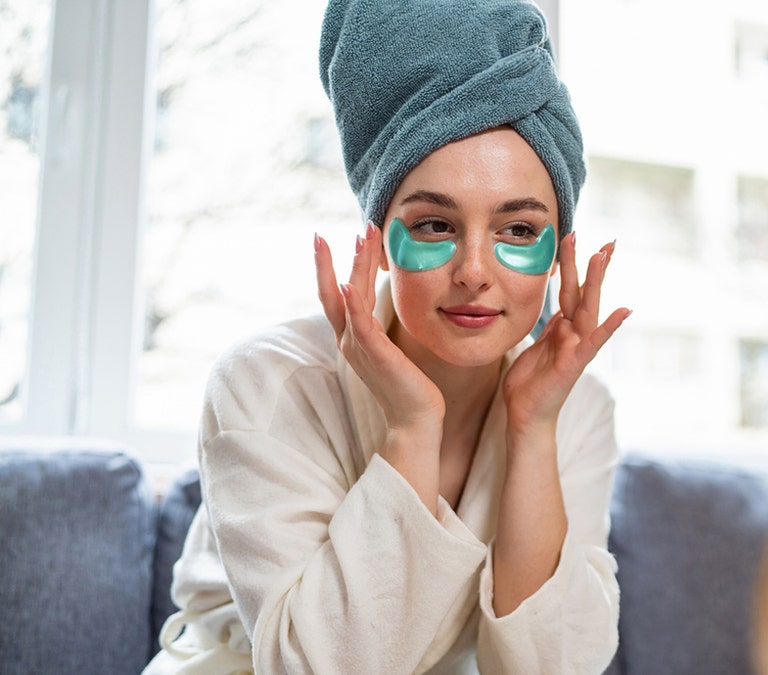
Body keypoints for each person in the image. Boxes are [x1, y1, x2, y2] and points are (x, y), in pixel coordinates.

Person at [143, 0, 629, 672]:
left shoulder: (577, 407)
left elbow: (551, 667)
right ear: (377, 239)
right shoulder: (266, 382)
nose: (475, 273)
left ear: (557, 254)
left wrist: (533, 425)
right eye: (435, 224)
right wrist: (412, 428)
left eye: (518, 230)